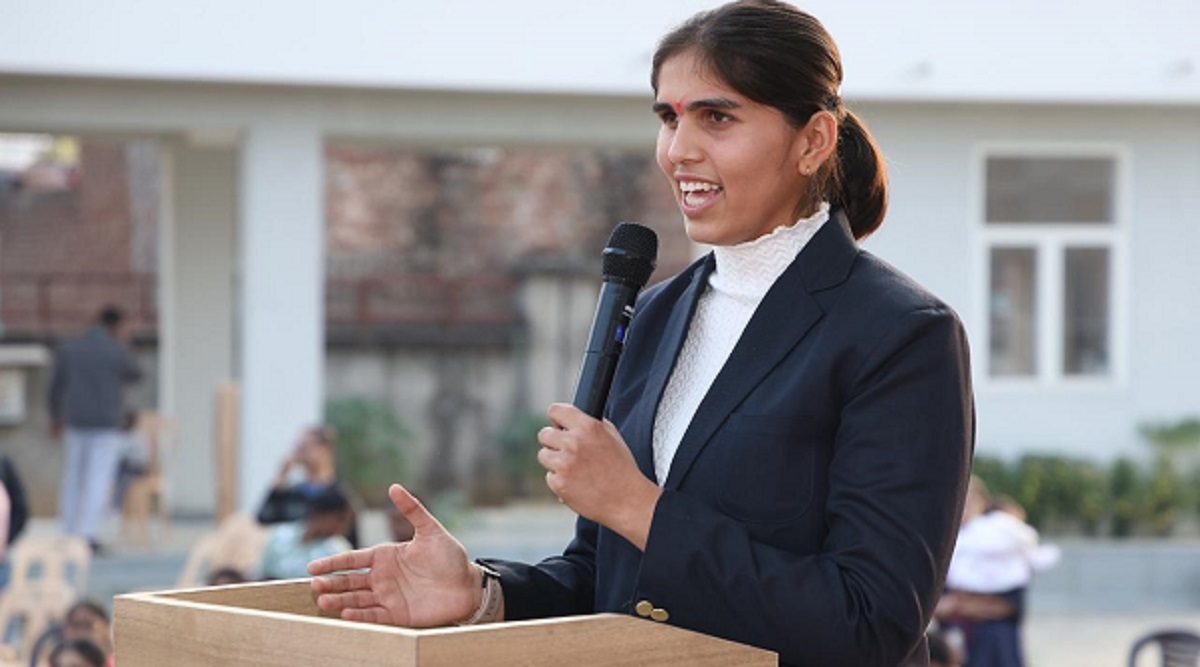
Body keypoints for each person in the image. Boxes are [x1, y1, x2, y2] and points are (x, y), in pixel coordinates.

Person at [308, 2, 974, 666]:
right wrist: (483, 593)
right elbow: (609, 576)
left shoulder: (900, 335)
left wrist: (638, 506)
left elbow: (868, 622)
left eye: (718, 116)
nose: (679, 150)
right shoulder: (655, 316)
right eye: (668, 117)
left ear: (813, 141)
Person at [48, 305, 142, 552]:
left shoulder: (71, 348)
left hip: (75, 421)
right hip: (106, 423)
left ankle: (67, 530)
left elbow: (55, 387)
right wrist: (126, 344)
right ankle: (88, 534)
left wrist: (54, 417)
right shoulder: (115, 349)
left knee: (73, 476)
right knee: (97, 479)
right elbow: (136, 373)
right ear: (116, 326)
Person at [935, 478, 1059, 667]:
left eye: (971, 501)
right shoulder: (944, 549)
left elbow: (1009, 606)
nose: (965, 508)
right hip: (957, 645)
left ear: (983, 503)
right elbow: (936, 606)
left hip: (996, 645)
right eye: (960, 500)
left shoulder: (1003, 550)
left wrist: (961, 605)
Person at [257, 425, 360, 548]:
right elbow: (263, 519)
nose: (299, 452)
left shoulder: (340, 496)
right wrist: (280, 478)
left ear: (325, 450)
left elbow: (352, 541)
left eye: (305, 447)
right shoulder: (292, 493)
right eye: (298, 448)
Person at [257, 486, 354, 580]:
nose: (343, 526)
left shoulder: (337, 550)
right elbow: (261, 574)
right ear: (320, 514)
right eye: (340, 519)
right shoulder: (279, 535)